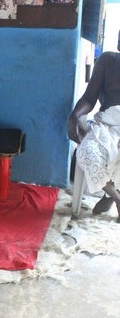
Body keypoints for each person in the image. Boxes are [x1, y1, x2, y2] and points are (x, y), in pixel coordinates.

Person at [68, 38, 120, 220]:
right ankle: (116, 196)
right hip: (106, 125)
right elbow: (90, 98)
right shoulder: (108, 61)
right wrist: (75, 115)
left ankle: (109, 195)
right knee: (86, 152)